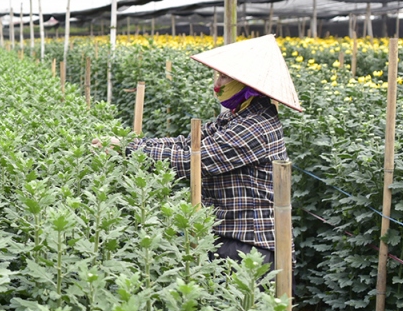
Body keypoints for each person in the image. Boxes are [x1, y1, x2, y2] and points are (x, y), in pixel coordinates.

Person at [95, 34, 303, 267]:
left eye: (224, 77)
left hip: (252, 245)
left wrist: (128, 150)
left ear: (247, 84)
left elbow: (195, 160)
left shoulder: (255, 126)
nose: (218, 84)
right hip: (229, 232)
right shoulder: (238, 116)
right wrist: (128, 144)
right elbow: (188, 144)